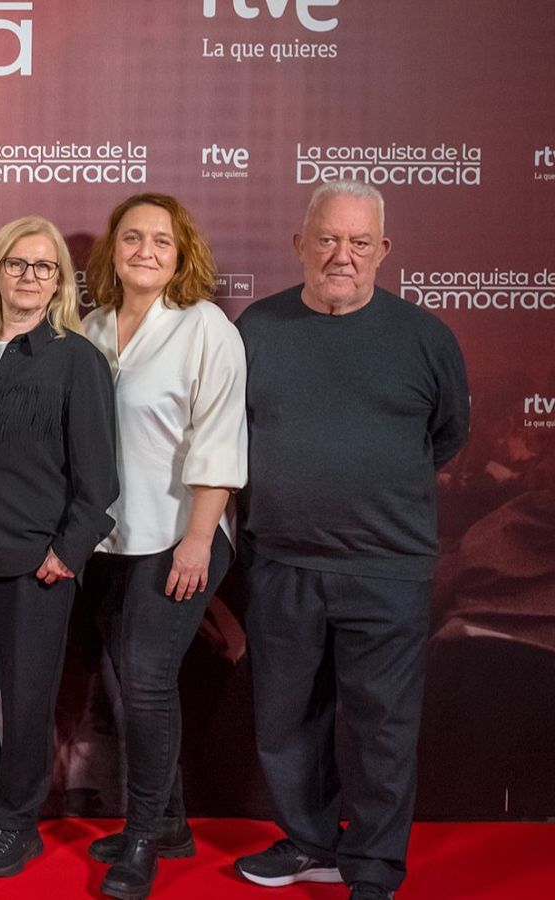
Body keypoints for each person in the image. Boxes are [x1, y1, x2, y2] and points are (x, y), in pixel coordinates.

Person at [232, 181, 469, 900]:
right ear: (300, 245)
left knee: (382, 728)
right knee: (285, 721)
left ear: (383, 250)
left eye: (360, 242)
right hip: (280, 560)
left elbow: (447, 435)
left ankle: (372, 868)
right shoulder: (257, 327)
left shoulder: (426, 337)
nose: (343, 255)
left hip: (387, 567)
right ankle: (308, 842)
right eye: (328, 239)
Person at [0, 216, 118, 877]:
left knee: (26, 699)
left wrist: (68, 551)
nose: (30, 277)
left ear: (60, 281)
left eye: (45, 267)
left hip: (35, 563)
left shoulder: (76, 358)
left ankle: (17, 822)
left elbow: (99, 479)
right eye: (18, 263)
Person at [79, 193, 247, 900]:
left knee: (147, 680)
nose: (145, 250)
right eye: (132, 237)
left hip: (182, 535)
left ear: (182, 256)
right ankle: (170, 824)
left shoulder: (205, 326)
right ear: (113, 249)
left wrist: (199, 540)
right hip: (109, 541)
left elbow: (220, 438)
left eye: (161, 240)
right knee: (130, 682)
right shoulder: (90, 327)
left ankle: (143, 835)